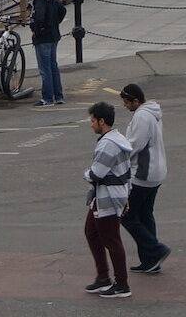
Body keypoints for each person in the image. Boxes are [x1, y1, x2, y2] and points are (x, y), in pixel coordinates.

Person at [83, 101, 134, 298]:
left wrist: (85, 174)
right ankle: (103, 277)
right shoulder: (117, 139)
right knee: (92, 232)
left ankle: (122, 284)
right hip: (110, 195)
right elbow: (126, 171)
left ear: (101, 121)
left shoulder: (107, 145)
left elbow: (96, 173)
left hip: (107, 197)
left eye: (93, 120)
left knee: (111, 240)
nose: (91, 124)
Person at [120, 83, 171, 274]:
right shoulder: (153, 113)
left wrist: (118, 159)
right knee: (145, 214)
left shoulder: (141, 116)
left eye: (126, 102)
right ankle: (150, 260)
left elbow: (134, 145)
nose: (125, 106)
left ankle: (156, 249)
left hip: (142, 174)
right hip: (157, 172)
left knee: (126, 215)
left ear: (136, 100)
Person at [28, 0, 66, 106]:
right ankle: (59, 96)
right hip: (54, 36)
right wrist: (55, 23)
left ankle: (47, 98)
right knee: (53, 66)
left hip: (43, 38)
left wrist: (36, 31)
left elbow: (38, 18)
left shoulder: (39, 1)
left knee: (45, 69)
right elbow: (63, 10)